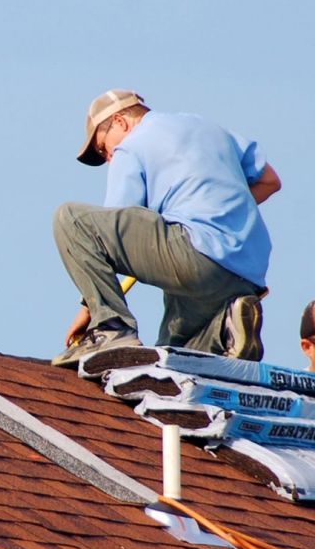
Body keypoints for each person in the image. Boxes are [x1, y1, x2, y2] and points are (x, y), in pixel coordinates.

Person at [52, 89, 280, 367]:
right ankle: (227, 329)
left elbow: (109, 230)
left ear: (121, 122)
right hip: (246, 274)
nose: (109, 158)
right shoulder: (208, 128)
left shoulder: (131, 145)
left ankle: (111, 329)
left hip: (194, 255)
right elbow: (270, 181)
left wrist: (90, 308)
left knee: (71, 219)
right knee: (173, 360)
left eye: (103, 148)